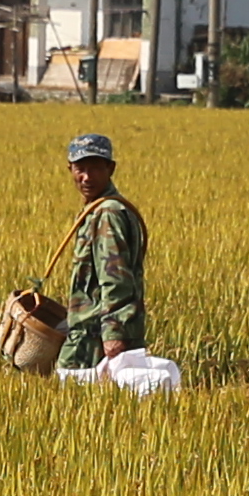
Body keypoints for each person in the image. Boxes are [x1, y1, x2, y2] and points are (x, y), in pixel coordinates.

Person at [55, 131, 149, 373]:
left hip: (96, 338)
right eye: (80, 169)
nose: (87, 177)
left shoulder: (108, 213)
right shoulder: (94, 210)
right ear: (70, 170)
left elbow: (115, 279)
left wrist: (114, 334)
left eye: (96, 168)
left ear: (111, 169)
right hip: (87, 331)